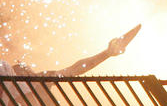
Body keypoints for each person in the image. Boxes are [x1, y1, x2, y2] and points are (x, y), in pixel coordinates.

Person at [0, 24, 141, 78]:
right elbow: (76, 69)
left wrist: (106, 54)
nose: (26, 70)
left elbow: (76, 69)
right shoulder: (20, 84)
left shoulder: (39, 82)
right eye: (23, 70)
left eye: (27, 70)